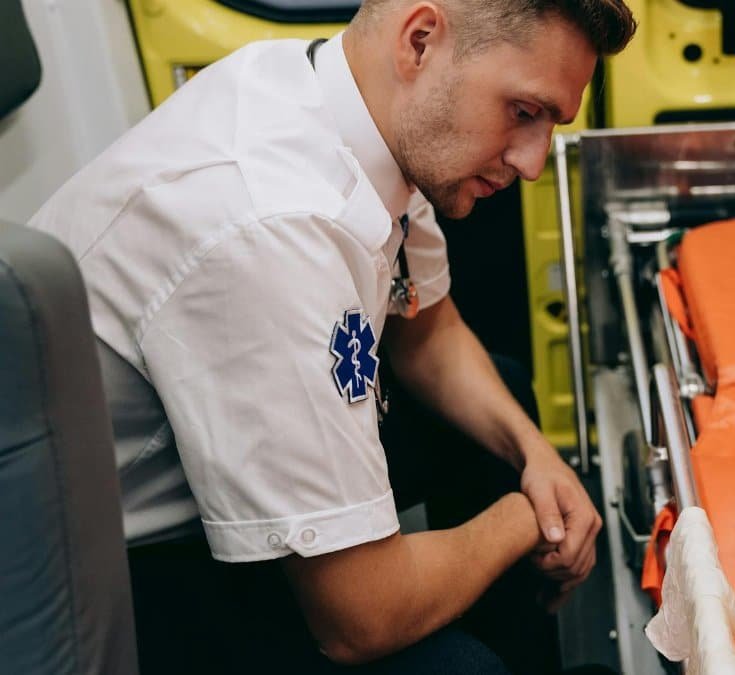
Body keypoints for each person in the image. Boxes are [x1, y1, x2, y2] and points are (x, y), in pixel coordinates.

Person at [28, 0, 636, 672]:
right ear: (420, 41)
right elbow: (361, 617)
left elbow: (427, 331)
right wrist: (526, 519)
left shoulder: (355, 103)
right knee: (459, 668)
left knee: (505, 402)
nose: (532, 161)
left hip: (211, 457)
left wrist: (540, 459)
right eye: (523, 112)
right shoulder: (267, 227)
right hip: (112, 569)